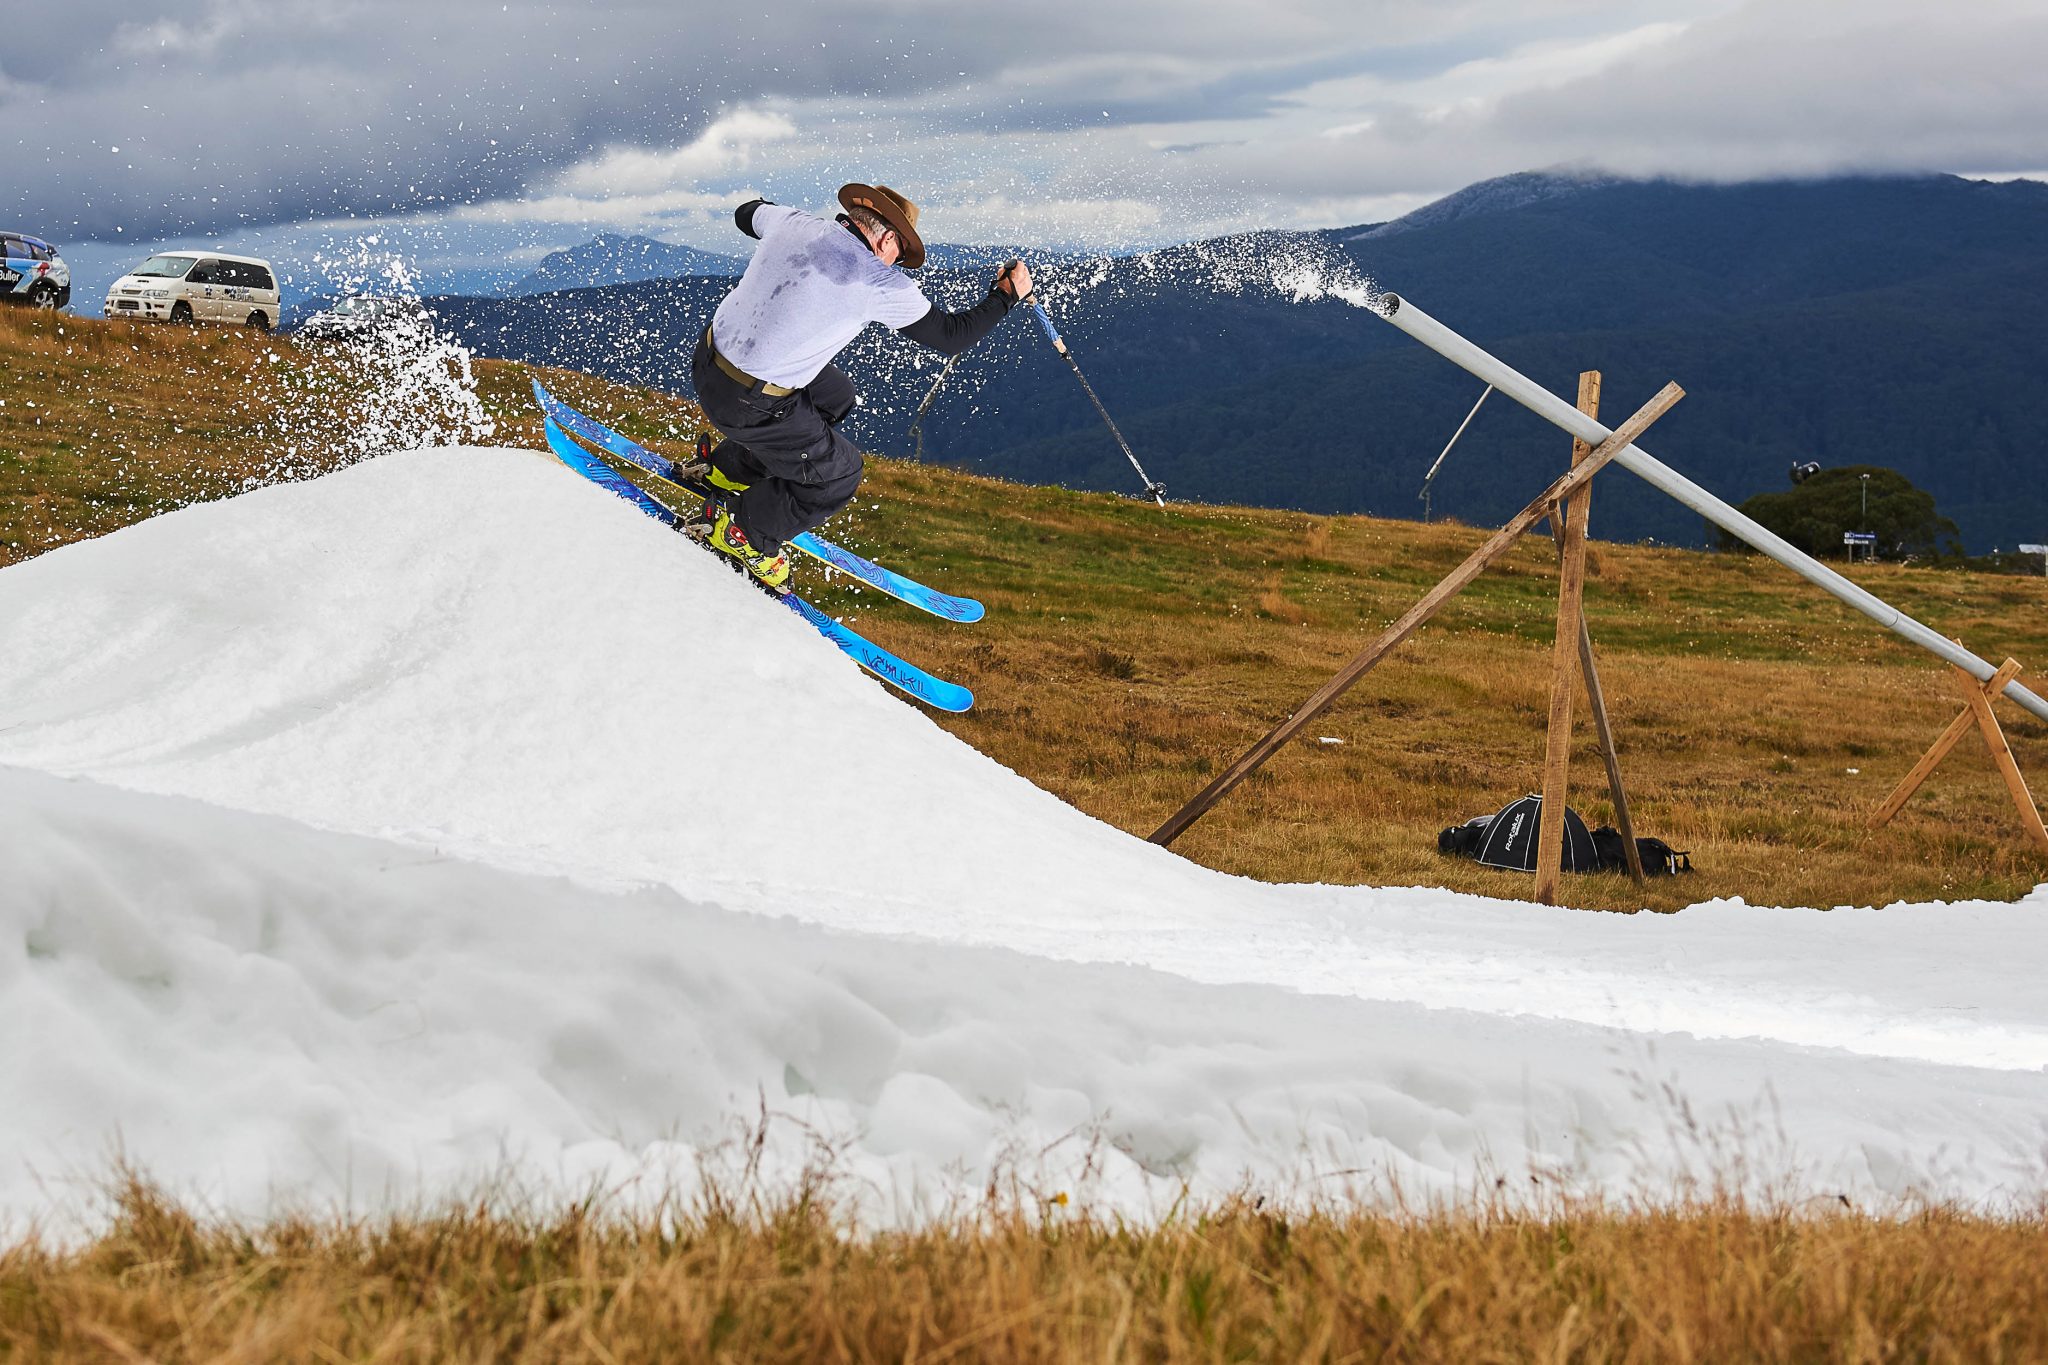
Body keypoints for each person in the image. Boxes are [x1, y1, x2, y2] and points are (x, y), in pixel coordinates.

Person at [683, 182, 1032, 588]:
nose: (894, 266)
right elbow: (950, 336)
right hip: (747, 403)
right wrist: (1006, 296)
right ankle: (748, 534)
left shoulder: (795, 222)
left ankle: (725, 471)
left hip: (708, 362)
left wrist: (772, 213)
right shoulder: (875, 281)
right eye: (897, 256)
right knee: (839, 475)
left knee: (836, 397)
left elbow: (747, 212)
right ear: (886, 238)